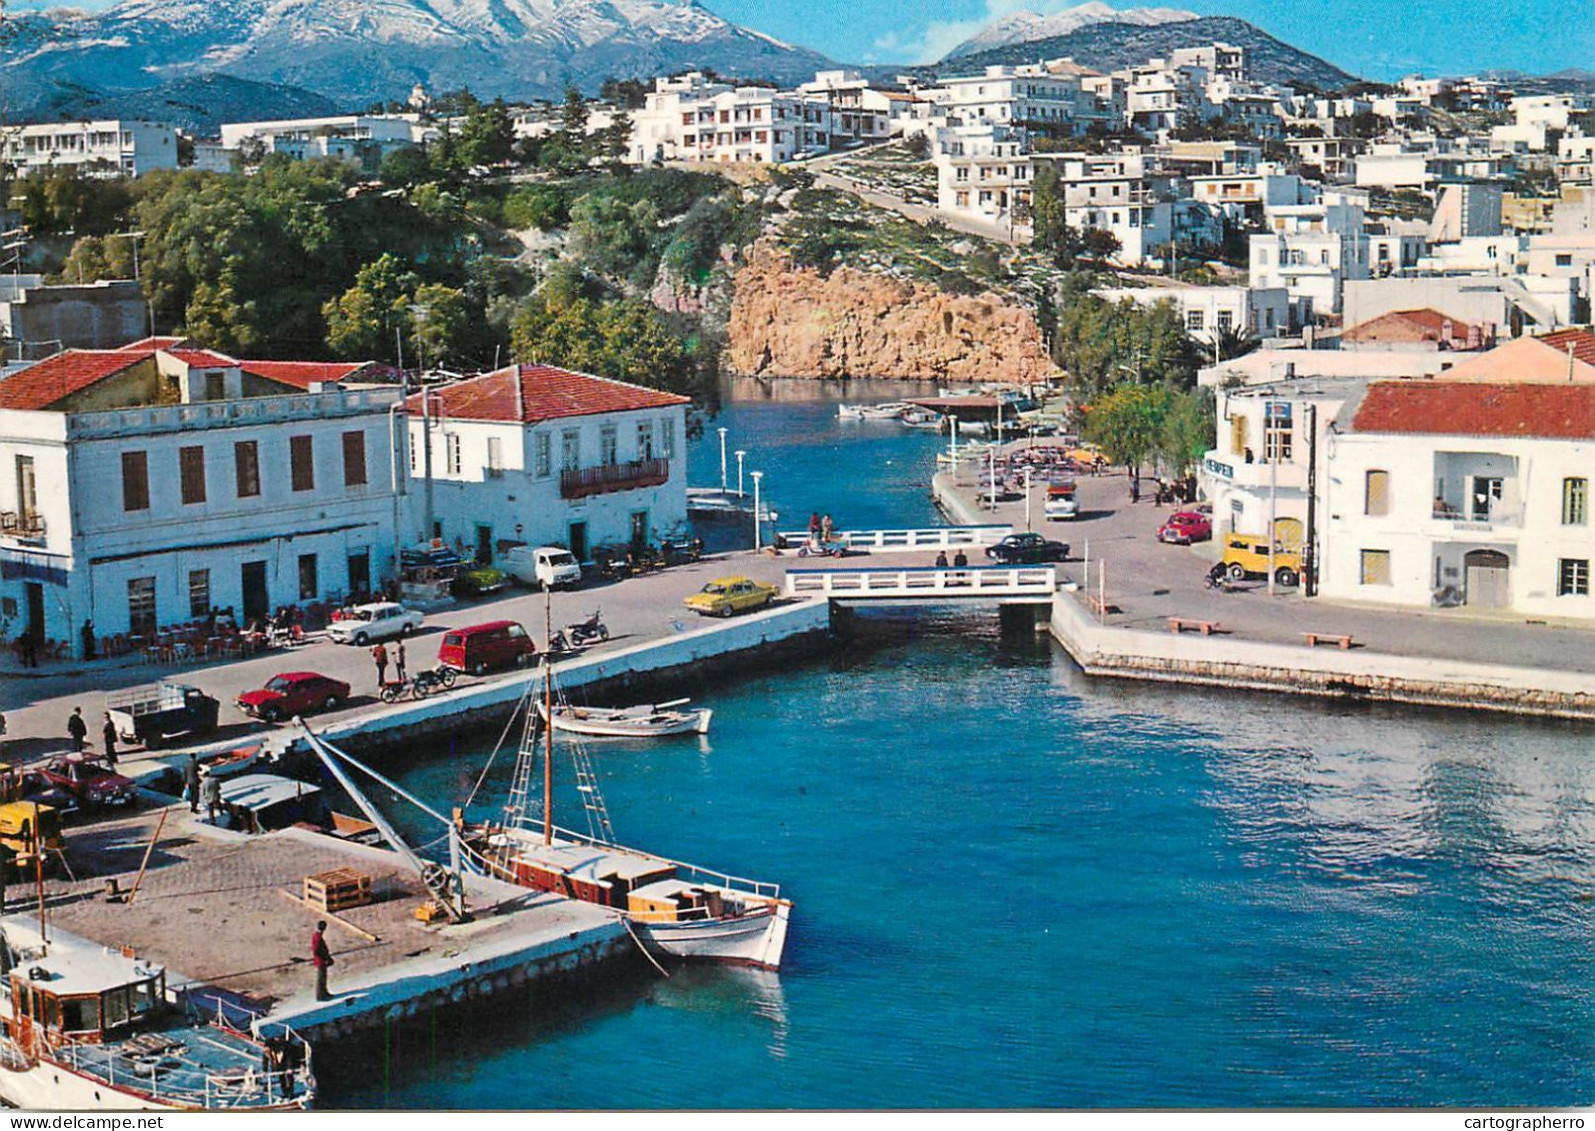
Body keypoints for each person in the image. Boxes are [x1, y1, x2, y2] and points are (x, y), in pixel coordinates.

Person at [311, 921, 334, 1001]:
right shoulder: (318, 937)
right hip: (321, 961)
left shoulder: (317, 935)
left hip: (321, 960)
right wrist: (325, 958)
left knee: (323, 977)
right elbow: (316, 950)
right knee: (321, 978)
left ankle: (324, 992)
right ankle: (321, 995)